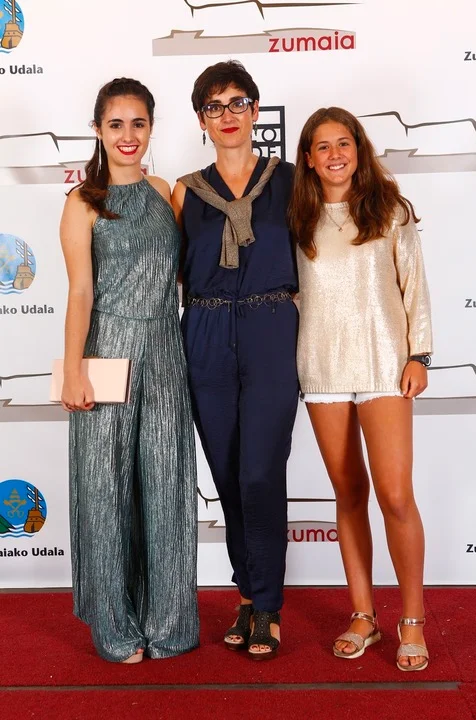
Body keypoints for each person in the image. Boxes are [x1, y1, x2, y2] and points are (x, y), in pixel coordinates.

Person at [60, 77, 199, 663]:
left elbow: (186, 277)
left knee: (167, 484)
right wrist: (74, 371)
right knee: (106, 489)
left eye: (138, 123)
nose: (128, 135)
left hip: (165, 350)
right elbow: (80, 292)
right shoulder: (82, 202)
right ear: (98, 130)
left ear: (151, 128)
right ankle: (116, 627)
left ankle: (168, 623)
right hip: (107, 350)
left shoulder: (165, 191)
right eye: (115, 124)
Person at [289, 107, 432, 671]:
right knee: (348, 493)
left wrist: (419, 354)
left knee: (394, 495)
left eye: (343, 143)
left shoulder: (391, 210)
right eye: (322, 146)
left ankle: (412, 619)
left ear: (359, 148)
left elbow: (415, 286)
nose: (335, 155)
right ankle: (363, 615)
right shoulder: (295, 219)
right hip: (322, 367)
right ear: (308, 158)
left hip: (384, 364)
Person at [172, 60, 298, 659]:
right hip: (204, 328)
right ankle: (247, 596)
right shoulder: (183, 191)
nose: (227, 115)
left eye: (238, 103)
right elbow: (168, 270)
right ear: (202, 119)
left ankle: (268, 604)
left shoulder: (288, 180)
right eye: (214, 106)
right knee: (226, 472)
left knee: (259, 472)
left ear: (256, 111)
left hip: (271, 326)